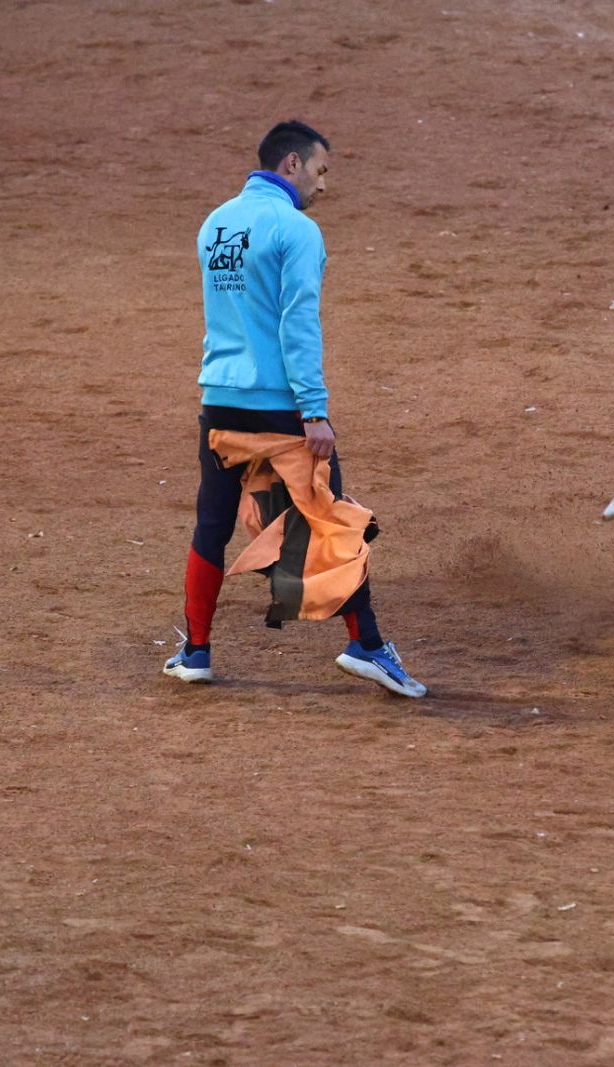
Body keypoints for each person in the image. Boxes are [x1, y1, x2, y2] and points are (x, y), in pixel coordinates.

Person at [163, 119, 426, 698]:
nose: (323, 185)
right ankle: (367, 645)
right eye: (320, 170)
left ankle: (196, 650)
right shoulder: (296, 230)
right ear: (291, 164)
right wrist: (314, 410)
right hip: (281, 407)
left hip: (221, 401)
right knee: (330, 517)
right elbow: (297, 323)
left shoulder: (215, 224)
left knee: (211, 525)